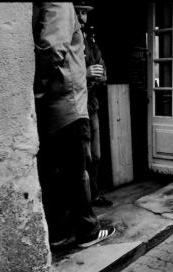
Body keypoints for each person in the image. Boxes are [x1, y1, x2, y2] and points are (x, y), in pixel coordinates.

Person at [33, 2, 115, 251]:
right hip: (69, 105)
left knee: (58, 175)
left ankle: (59, 233)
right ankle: (87, 231)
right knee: (75, 172)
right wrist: (40, 90)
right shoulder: (59, 4)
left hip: (62, 106)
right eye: (81, 11)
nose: (82, 16)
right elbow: (51, 49)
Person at [74, 1, 113, 207]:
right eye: (78, 12)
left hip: (92, 106)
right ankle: (84, 202)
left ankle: (94, 194)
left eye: (84, 13)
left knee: (96, 156)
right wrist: (86, 74)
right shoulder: (68, 41)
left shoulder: (90, 42)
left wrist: (96, 75)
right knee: (83, 157)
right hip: (76, 109)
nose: (82, 18)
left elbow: (103, 72)